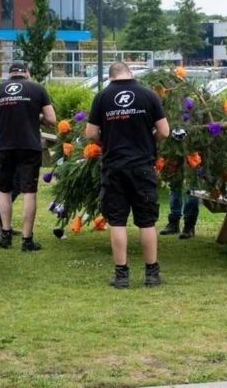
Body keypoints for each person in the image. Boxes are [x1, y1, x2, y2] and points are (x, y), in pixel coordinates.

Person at [85, 62, 169, 289]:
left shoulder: (102, 97)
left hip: (114, 167)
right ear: (130, 74)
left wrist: (108, 141)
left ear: (110, 77)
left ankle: (121, 276)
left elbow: (91, 132)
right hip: (142, 166)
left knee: (117, 221)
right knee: (146, 221)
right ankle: (152, 274)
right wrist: (147, 141)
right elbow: (164, 131)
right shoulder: (149, 95)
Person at [0, 62, 56, 251]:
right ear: (27, 74)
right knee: (29, 192)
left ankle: (5, 235)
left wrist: (1, 119)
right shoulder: (37, 89)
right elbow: (51, 119)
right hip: (29, 146)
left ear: (10, 74)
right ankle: (27, 240)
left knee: (4, 190)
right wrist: (35, 117)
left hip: (4, 145)